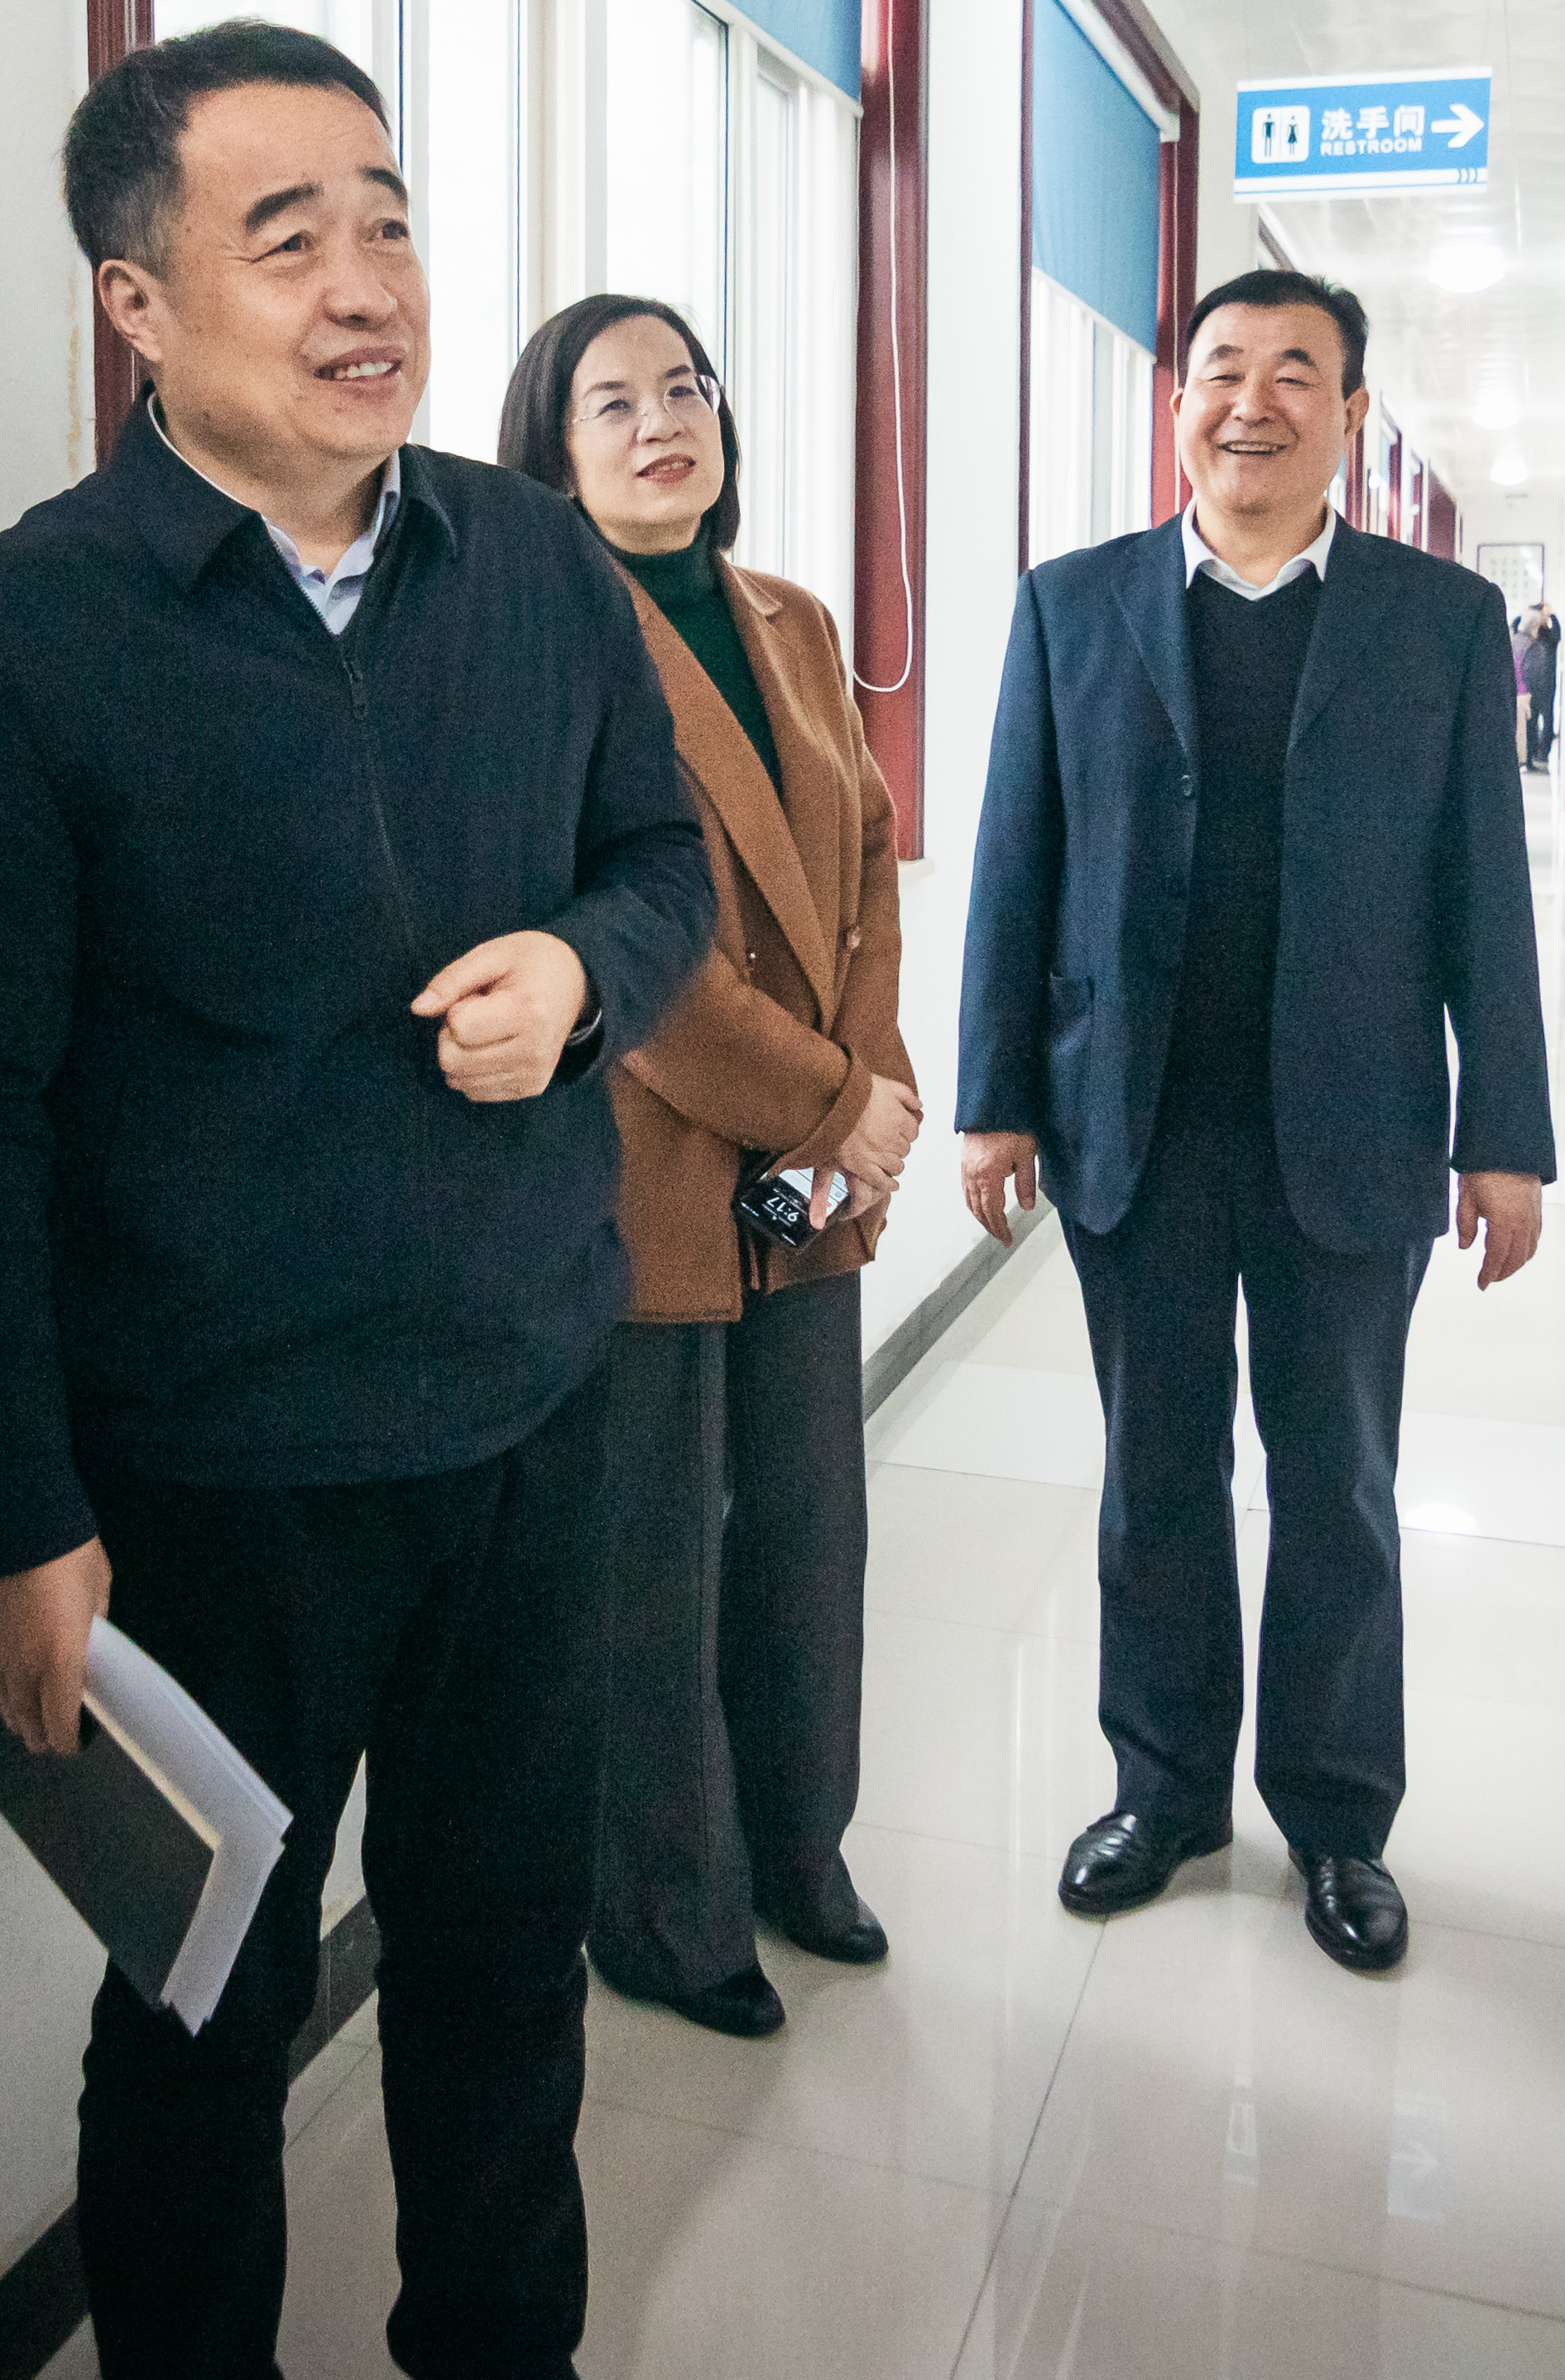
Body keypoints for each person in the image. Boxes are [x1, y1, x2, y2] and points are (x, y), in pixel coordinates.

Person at [0, 22, 715, 2380]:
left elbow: (660, 859)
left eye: (389, 219)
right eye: (287, 236)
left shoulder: (535, 562)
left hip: (529, 1411)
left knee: (498, 1965)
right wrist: (17, 1510)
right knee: (203, 2012)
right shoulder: (13, 639)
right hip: (216, 1478)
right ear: (136, 302)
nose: (368, 283)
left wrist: (583, 968)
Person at [953, 267, 1558, 1975]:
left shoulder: (1437, 622)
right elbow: (1013, 864)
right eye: (1220, 367)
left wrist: (1503, 1132)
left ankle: (1336, 1818)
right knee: (1153, 1475)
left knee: (1334, 1486)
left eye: (1296, 372)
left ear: (1350, 415)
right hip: (1130, 1127)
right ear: (1177, 407)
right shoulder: (1069, 606)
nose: (1252, 400)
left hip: (1351, 1130)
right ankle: (1159, 1792)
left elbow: (1482, 895)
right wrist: (994, 1099)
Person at [496, 295, 919, 2044]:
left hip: (802, 1170)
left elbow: (864, 868)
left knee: (806, 1521)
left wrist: (872, 1082)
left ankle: (798, 1850)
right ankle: (666, 1911)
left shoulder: (788, 618)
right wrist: (828, 1103)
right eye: (610, 401)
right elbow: (623, 940)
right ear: (551, 450)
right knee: (651, 1559)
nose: (660, 420)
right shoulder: (539, 641)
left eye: (682, 386)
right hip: (649, 1166)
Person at [1519, 604, 1563, 771]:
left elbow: (1557, 633)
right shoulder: (1527, 639)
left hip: (1546, 686)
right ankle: (1530, 756)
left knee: (1547, 721)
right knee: (1531, 724)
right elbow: (1517, 626)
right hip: (1532, 688)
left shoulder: (1547, 637)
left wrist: (1551, 615)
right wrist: (1528, 611)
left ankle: (1543, 753)